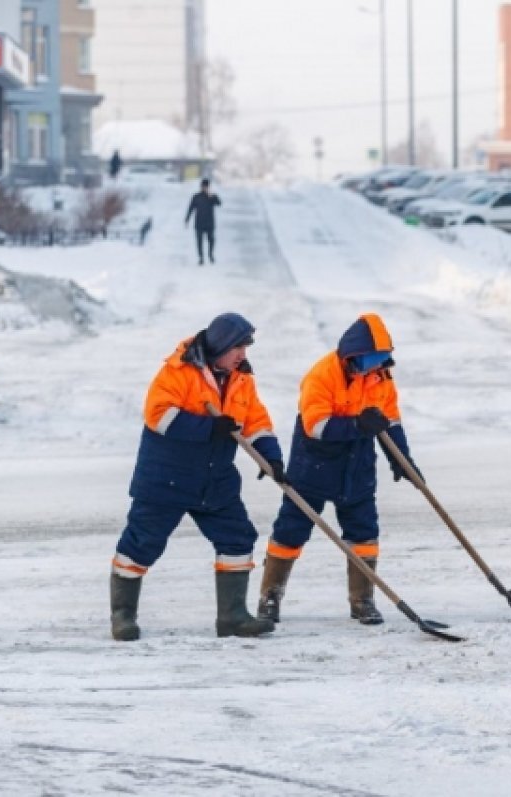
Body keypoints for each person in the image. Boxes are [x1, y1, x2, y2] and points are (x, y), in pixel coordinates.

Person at [110, 312, 286, 641]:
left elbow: (256, 421)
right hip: (167, 478)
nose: (243, 356)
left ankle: (232, 617)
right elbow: (158, 416)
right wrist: (209, 428)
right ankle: (123, 616)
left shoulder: (242, 379)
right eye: (238, 348)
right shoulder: (177, 371)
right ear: (220, 346)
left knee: (237, 538)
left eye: (246, 349)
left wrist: (271, 458)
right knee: (141, 543)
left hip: (214, 480)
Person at [256, 313, 422, 626]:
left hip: (357, 466)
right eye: (370, 360)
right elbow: (316, 425)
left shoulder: (380, 378)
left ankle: (362, 600)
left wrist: (401, 458)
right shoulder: (321, 375)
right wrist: (358, 424)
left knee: (364, 532)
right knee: (290, 531)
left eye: (380, 360)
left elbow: (391, 420)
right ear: (351, 356)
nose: (375, 367)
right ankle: (270, 597)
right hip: (314, 466)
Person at [185, 178, 222, 265]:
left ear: (208, 187)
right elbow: (191, 208)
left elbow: (219, 203)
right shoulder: (196, 196)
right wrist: (187, 219)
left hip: (210, 223)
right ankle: (201, 257)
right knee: (199, 242)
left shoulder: (212, 196)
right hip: (199, 223)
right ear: (200, 187)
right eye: (203, 186)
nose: (204, 188)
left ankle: (210, 254)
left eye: (206, 187)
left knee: (211, 240)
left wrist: (212, 196)